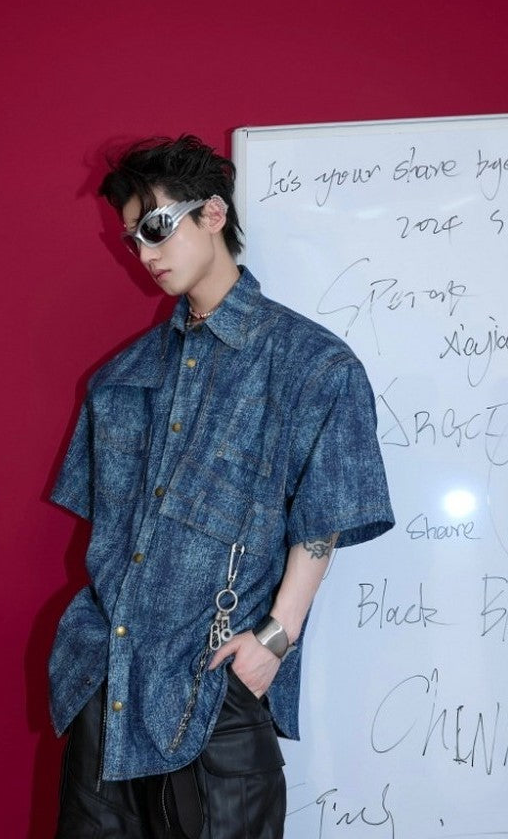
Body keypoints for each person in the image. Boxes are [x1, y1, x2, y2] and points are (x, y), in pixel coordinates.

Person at [49, 135, 395, 838]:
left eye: (156, 227)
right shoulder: (121, 379)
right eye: (132, 238)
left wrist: (275, 638)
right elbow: (111, 532)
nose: (144, 253)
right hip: (105, 681)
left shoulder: (312, 365)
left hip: (213, 684)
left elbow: (322, 520)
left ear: (212, 214)